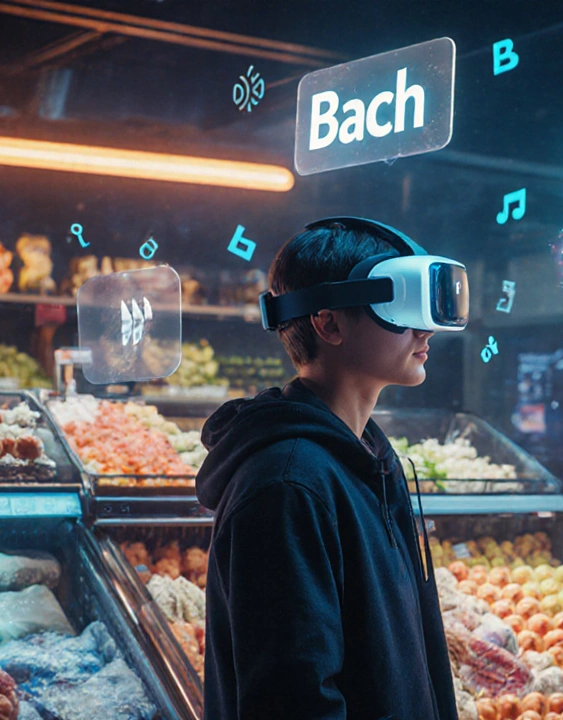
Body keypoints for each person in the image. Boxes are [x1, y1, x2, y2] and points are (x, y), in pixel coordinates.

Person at [195, 218, 458, 720]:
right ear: (329, 323)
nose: (426, 330)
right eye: (401, 305)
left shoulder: (371, 459)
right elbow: (295, 703)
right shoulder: (287, 485)